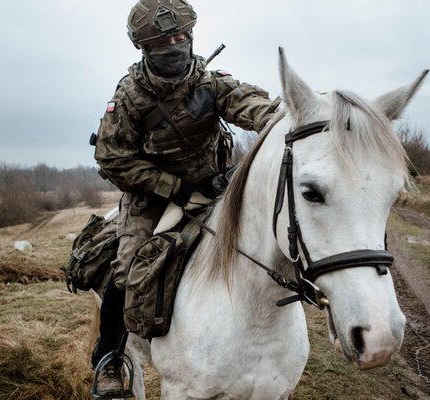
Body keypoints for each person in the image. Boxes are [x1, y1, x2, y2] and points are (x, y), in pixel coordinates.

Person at [91, 0, 280, 396]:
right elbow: (112, 158)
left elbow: (249, 103)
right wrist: (174, 188)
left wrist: (281, 120)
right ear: (145, 47)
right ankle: (109, 356)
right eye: (164, 40)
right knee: (126, 271)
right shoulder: (129, 97)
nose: (176, 44)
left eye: (181, 36)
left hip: (215, 189)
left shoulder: (208, 83)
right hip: (153, 199)